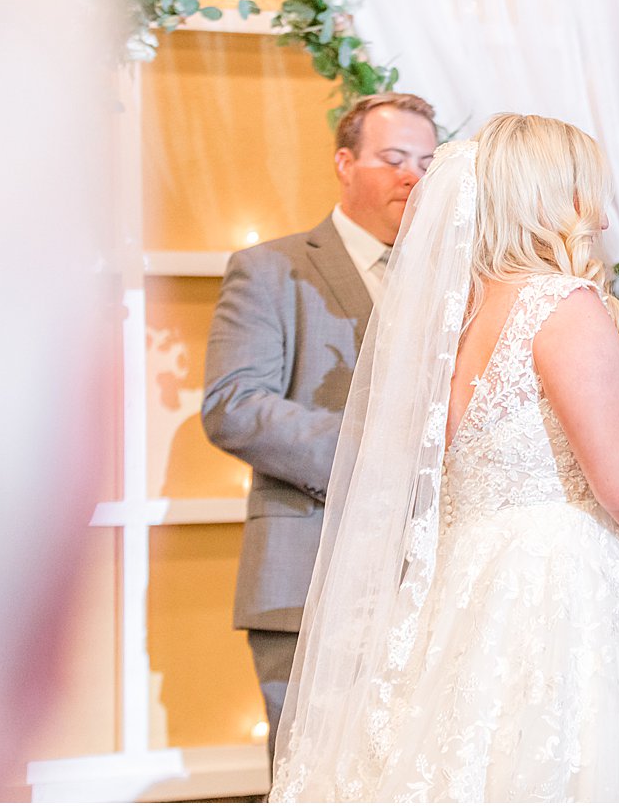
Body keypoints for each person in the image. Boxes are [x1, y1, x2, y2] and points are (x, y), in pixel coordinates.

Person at [269, 113, 619, 802]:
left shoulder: (455, 318)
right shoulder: (559, 305)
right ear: (551, 196)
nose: (601, 212)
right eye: (588, 188)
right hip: (566, 586)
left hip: (467, 584)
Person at [202, 91, 438, 759]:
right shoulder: (272, 267)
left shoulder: (454, 283)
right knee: (313, 772)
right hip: (306, 574)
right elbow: (233, 403)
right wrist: (376, 458)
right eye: (393, 158)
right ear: (344, 161)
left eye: (426, 161)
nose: (411, 177)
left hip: (431, 581)